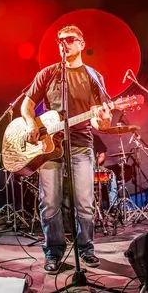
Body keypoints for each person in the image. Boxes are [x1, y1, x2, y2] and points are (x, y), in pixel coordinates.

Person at [21, 25, 112, 274]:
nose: (64, 44)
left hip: (81, 146)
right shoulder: (49, 73)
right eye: (60, 41)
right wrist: (30, 122)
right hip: (49, 147)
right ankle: (54, 250)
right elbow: (27, 105)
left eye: (70, 40)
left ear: (82, 43)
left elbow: (99, 119)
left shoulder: (93, 77)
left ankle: (86, 248)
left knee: (84, 202)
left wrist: (103, 120)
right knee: (49, 203)